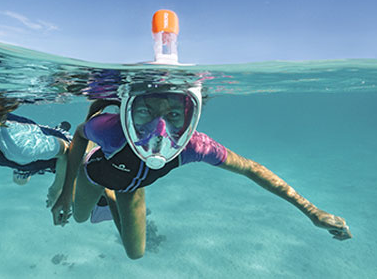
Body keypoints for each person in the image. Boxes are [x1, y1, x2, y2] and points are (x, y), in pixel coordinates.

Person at [51, 83, 352, 259]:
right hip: (93, 174)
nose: (160, 134)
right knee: (80, 218)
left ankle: (112, 197)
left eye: (173, 115)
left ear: (189, 117)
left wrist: (312, 212)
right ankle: (104, 192)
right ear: (130, 112)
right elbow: (79, 134)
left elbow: (251, 168)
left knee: (135, 254)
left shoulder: (195, 145)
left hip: (132, 188)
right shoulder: (112, 130)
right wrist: (66, 193)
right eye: (145, 112)